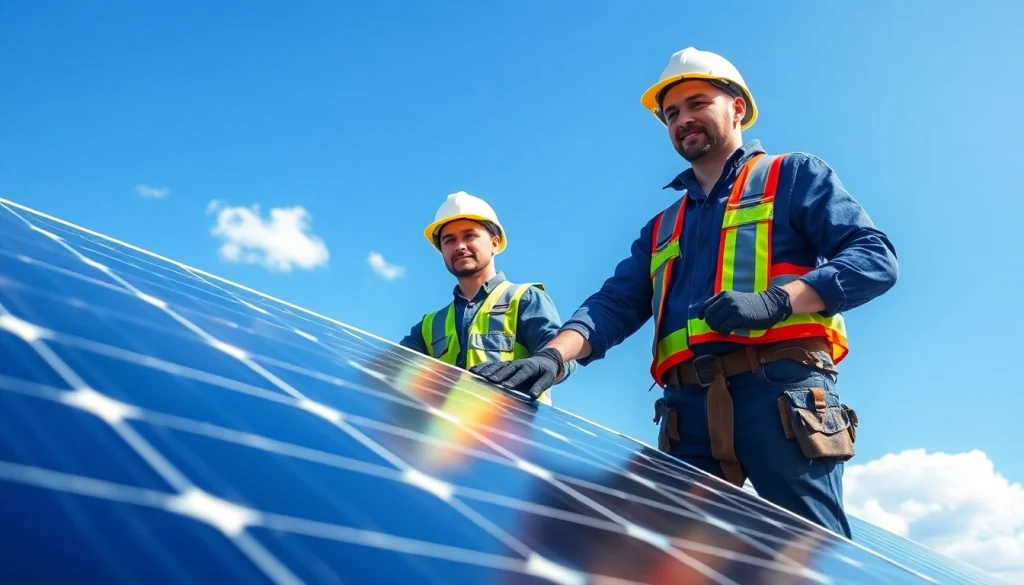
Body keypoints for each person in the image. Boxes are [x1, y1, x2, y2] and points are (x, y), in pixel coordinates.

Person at [470, 47, 898, 538]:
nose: (682, 120)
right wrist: (552, 357)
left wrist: (778, 300)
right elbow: (615, 303)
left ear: (737, 108)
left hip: (783, 396)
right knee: (673, 558)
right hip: (686, 411)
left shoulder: (794, 175)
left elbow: (874, 258)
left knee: (809, 554)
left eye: (697, 103)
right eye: (671, 113)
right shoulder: (662, 226)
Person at [400, 191, 575, 405]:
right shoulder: (428, 325)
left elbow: (562, 357)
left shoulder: (525, 299)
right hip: (442, 424)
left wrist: (548, 364)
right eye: (449, 240)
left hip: (513, 423)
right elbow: (393, 368)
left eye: (469, 236)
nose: (460, 246)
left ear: (494, 243)